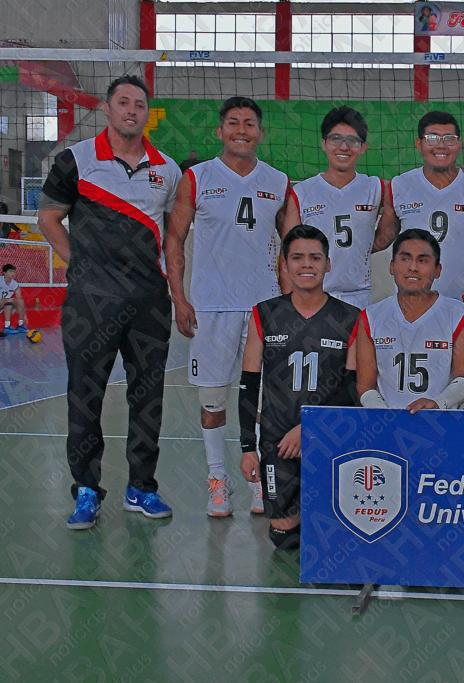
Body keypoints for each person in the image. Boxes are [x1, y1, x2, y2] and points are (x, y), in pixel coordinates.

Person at [37, 75, 181, 529]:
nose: (132, 110)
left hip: (149, 302)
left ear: (146, 112)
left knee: (148, 398)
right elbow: (48, 217)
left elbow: (175, 234)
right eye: (124, 102)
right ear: (108, 108)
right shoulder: (75, 160)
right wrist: (79, 263)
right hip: (90, 303)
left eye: (139, 104)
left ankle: (141, 487)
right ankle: (85, 490)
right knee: (84, 397)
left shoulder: (168, 170)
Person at [165, 96, 296, 518]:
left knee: (261, 402)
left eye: (250, 124)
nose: (242, 130)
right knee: (213, 401)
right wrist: (179, 297)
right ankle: (217, 481)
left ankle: (259, 480)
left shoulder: (278, 180)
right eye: (234, 123)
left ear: (260, 132)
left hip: (263, 310)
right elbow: (175, 240)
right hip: (210, 307)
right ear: (220, 130)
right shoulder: (196, 178)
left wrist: (291, 301)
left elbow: (294, 245)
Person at [237, 225, 359, 551]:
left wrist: (311, 427)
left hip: (330, 437)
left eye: (315, 257)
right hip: (279, 442)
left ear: (328, 264)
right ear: (284, 264)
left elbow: (352, 390)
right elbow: (249, 384)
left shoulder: (351, 317)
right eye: (298, 257)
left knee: (332, 535)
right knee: (283, 537)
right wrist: (248, 446)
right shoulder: (264, 314)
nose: (307, 265)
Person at [355, 229, 464, 411]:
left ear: (437, 270)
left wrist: (437, 404)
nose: (413, 267)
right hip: (390, 428)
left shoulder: (458, 314)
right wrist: (390, 418)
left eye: (423, 260)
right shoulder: (370, 317)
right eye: (405, 259)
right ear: (392, 266)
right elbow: (366, 388)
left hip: (442, 425)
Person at [286, 106, 387, 309]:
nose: (344, 147)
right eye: (335, 139)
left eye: (352, 141)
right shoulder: (302, 192)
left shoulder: (376, 187)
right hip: (313, 297)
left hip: (359, 298)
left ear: (363, 147)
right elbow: (288, 253)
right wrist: (289, 304)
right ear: (323, 143)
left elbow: (420, 187)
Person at [381, 111, 464, 299]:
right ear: (418, 144)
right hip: (413, 304)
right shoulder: (399, 186)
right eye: (432, 138)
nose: (441, 145)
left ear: (460, 145)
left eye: (449, 138)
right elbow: (380, 240)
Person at [0, 264, 27, 334]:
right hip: (0, 302)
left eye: (14, 271)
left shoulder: (15, 284)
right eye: (10, 271)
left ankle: (18, 325)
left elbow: (19, 298)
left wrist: (24, 315)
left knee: (18, 301)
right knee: (9, 300)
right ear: (4, 272)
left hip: (4, 304)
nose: (13, 273)